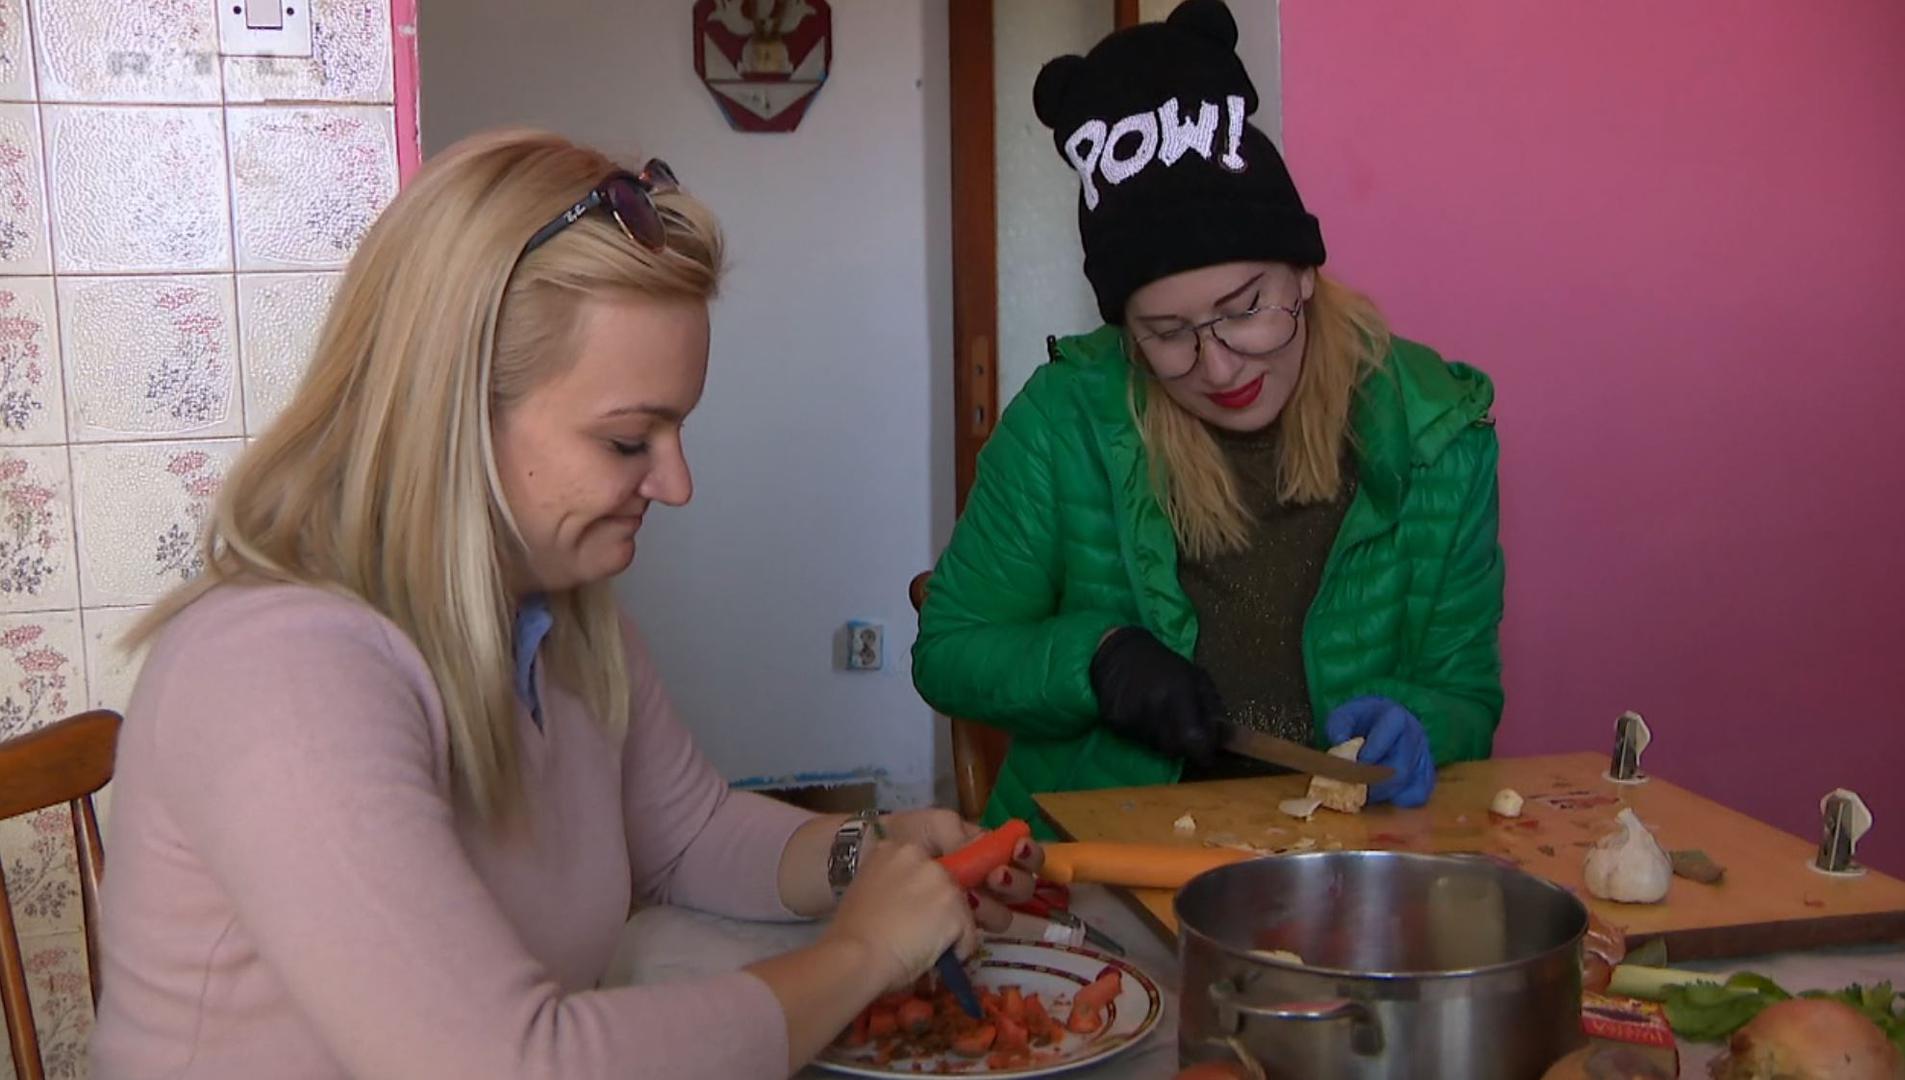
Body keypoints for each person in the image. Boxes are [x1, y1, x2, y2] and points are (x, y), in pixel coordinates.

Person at [89, 129, 1039, 1079]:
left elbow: (692, 838)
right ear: (453, 413)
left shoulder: (564, 623)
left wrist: (873, 854)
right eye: (628, 441)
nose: (676, 484)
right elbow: (508, 1068)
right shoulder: (277, 672)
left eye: (678, 430)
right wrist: (863, 953)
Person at [913, 0, 1505, 835]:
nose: (1220, 367)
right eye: (1167, 333)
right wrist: (1096, 659)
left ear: (1303, 271)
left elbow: (1465, 695)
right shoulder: (1062, 420)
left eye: (1245, 308)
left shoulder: (1439, 433)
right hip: (1106, 852)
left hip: (1341, 858)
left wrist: (1421, 726)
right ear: (1127, 332)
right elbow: (948, 652)